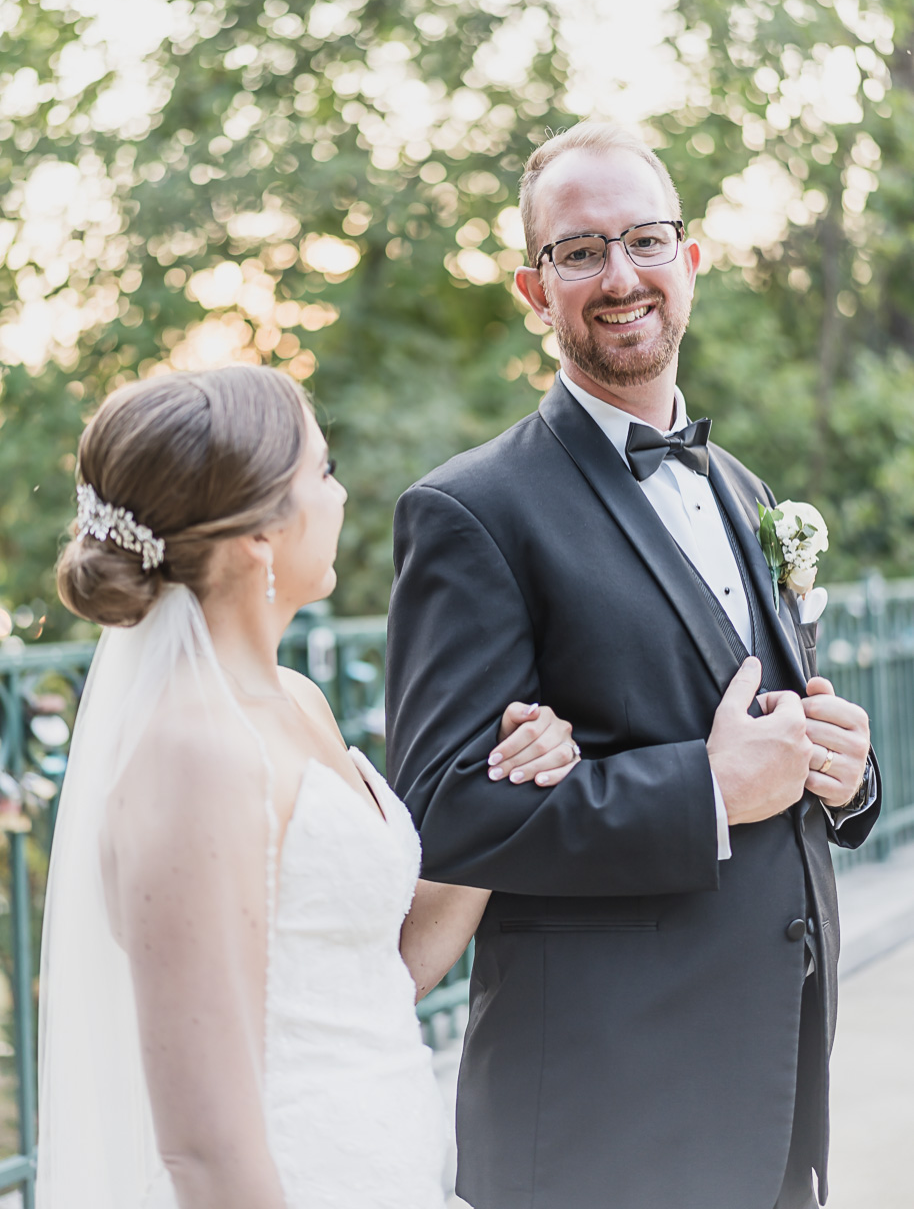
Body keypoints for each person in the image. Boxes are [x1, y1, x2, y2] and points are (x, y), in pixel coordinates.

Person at [385, 121, 880, 1209]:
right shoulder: (471, 512)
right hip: (598, 1115)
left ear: (689, 263)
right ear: (533, 287)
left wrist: (845, 772)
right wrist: (701, 790)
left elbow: (769, 729)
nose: (620, 277)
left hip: (770, 1098)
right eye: (579, 251)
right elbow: (445, 813)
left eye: (645, 241)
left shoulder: (742, 490)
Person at [37, 364, 580, 1209]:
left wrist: (514, 781)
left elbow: (378, 971)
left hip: (394, 1178)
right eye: (320, 473)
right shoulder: (194, 753)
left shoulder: (298, 701)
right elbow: (204, 1147)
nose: (341, 495)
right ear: (259, 534)